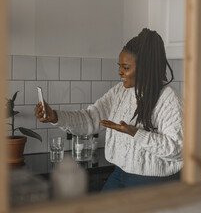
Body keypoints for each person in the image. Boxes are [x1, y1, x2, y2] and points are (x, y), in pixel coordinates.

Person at [34, 28, 183, 191]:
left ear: (145, 67)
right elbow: (91, 119)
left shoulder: (168, 98)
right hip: (119, 173)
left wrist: (135, 132)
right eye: (119, 66)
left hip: (152, 181)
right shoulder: (120, 91)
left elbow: (178, 149)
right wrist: (55, 116)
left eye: (125, 67)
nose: (120, 72)